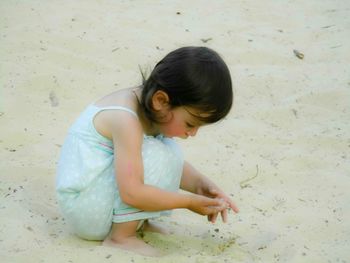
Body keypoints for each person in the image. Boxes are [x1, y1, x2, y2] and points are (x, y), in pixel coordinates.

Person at [56, 46, 239, 256]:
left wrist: (200, 186)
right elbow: (131, 191)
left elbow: (171, 163)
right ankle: (121, 237)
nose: (193, 133)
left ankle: (136, 223)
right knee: (156, 153)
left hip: (97, 198)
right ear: (160, 101)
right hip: (85, 209)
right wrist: (188, 202)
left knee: (167, 149)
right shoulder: (125, 118)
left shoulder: (150, 109)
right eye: (190, 123)